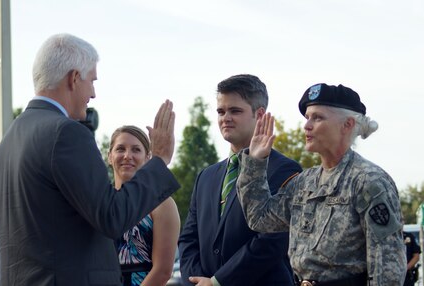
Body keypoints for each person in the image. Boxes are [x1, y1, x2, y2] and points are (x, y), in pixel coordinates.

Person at [0, 33, 180, 286]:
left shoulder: (9, 138)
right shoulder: (66, 133)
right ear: (73, 78)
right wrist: (158, 159)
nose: (93, 92)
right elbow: (111, 216)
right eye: (92, 80)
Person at [236, 83, 407, 285]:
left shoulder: (369, 181)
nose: (306, 126)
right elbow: (260, 219)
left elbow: (388, 269)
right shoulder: (304, 183)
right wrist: (255, 163)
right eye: (307, 117)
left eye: (317, 117)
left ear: (348, 124)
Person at [178, 74, 302, 286]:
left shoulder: (285, 170)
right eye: (220, 111)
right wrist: (197, 282)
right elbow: (188, 239)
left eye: (235, 111)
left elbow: (271, 241)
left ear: (260, 114)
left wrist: (218, 282)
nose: (225, 118)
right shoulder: (206, 176)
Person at [108, 125, 180, 286]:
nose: (127, 156)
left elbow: (163, 271)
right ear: (110, 156)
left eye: (136, 150)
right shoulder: (101, 202)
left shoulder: (162, 204)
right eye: (120, 149)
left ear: (148, 158)